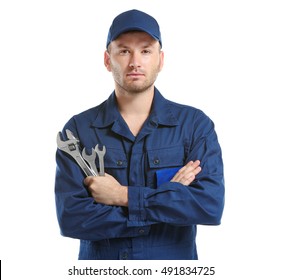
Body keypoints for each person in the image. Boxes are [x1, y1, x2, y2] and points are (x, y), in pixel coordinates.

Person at [55, 9, 224, 260]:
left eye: (146, 50)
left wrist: (120, 196)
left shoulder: (194, 126)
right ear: (107, 59)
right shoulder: (79, 130)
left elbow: (209, 206)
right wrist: (169, 198)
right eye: (124, 51)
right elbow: (72, 219)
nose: (135, 61)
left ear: (161, 60)